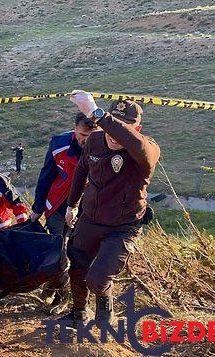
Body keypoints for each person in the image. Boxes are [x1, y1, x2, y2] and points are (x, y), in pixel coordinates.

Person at [61, 90, 160, 327]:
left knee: (98, 278)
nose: (115, 135)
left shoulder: (147, 151)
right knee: (77, 268)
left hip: (123, 226)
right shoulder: (94, 141)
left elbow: (139, 145)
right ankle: (78, 312)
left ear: (136, 129)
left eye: (124, 128)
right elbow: (81, 171)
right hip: (90, 218)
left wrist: (99, 115)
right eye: (112, 126)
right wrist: (71, 205)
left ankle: (105, 310)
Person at [30, 113, 100, 235]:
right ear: (75, 128)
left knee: (82, 247)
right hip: (58, 204)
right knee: (57, 243)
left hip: (90, 207)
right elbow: (46, 176)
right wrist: (38, 208)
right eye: (83, 135)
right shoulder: (59, 144)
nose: (86, 140)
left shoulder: (107, 148)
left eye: (91, 136)